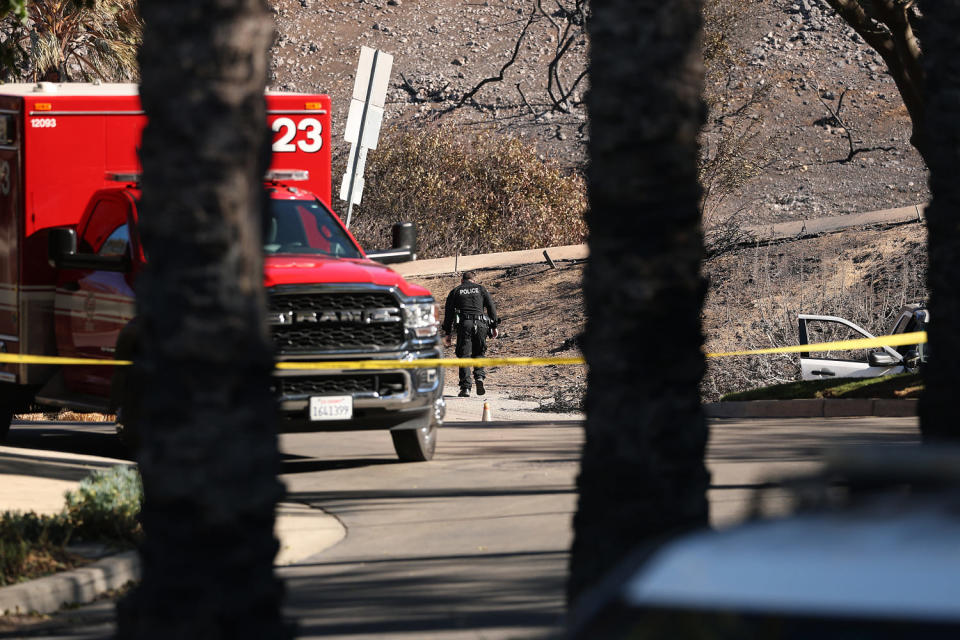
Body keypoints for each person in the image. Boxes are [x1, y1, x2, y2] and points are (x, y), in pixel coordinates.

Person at [442, 271, 498, 397]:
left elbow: (449, 314)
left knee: (464, 355)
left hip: (465, 325)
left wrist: (447, 333)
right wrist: (494, 326)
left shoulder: (456, 291)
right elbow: (491, 308)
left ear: (462, 280)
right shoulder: (481, 289)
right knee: (479, 352)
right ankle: (479, 377)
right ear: (474, 280)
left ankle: (465, 388)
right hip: (481, 324)